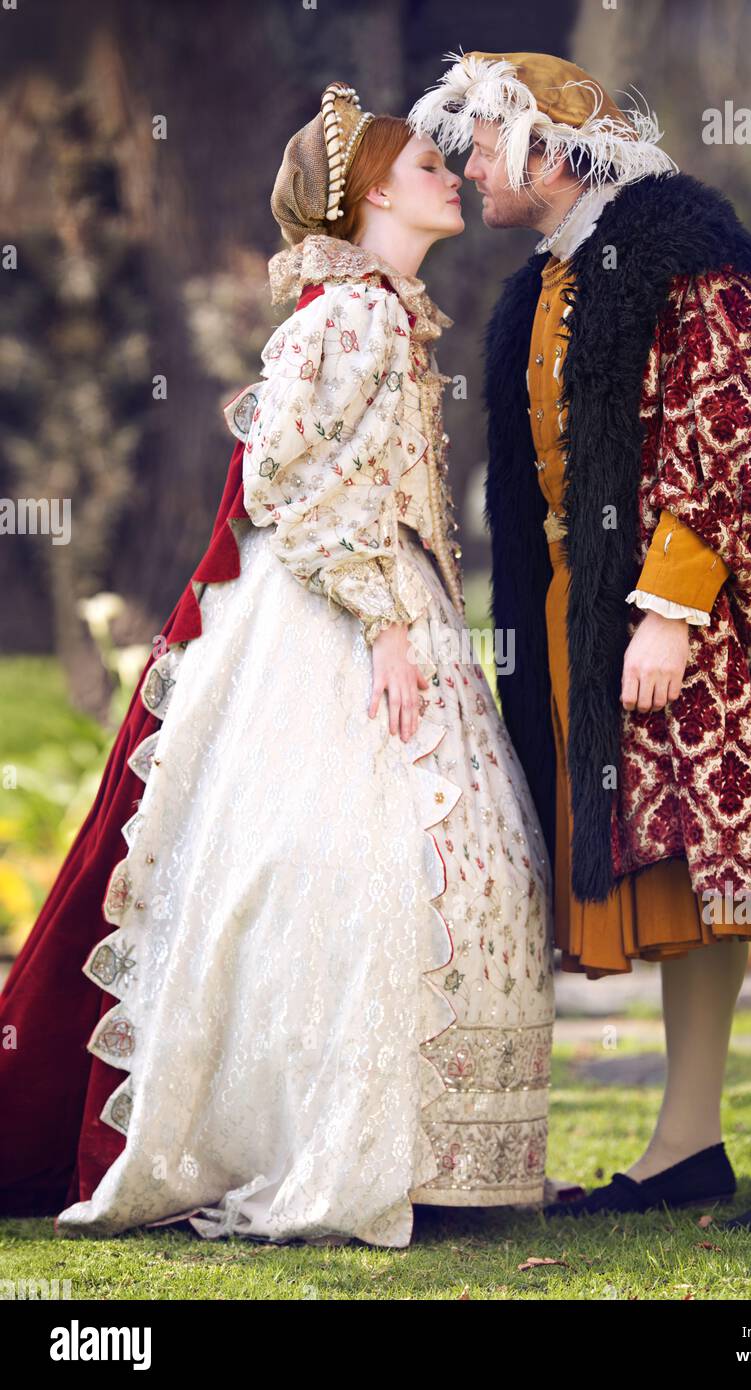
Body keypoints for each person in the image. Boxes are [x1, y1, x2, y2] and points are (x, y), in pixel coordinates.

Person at [0, 81, 556, 1247]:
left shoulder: (380, 313)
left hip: (386, 598)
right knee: (349, 858)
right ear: (368, 197)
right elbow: (282, 479)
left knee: (437, 860)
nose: (450, 176)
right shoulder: (348, 318)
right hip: (336, 611)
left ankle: (427, 1148)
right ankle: (335, 1141)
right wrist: (384, 622)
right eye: (424, 167)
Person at [408, 51, 751, 1226]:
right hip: (608, 621)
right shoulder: (551, 283)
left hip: (732, 620)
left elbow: (746, 437)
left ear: (546, 149)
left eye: (484, 145)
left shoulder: (688, 263)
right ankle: (686, 1143)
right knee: (691, 872)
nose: (470, 168)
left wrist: (671, 609)